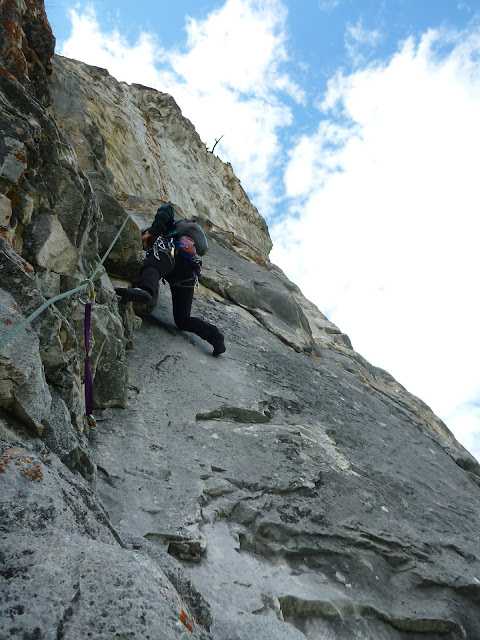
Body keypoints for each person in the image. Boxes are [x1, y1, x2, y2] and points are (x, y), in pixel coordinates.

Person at [115, 204, 226, 356]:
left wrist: (152, 234)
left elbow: (167, 208)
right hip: (187, 273)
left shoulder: (166, 231)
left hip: (171, 255)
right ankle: (215, 335)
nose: (144, 244)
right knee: (182, 319)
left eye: (143, 239)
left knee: (152, 265)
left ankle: (144, 290)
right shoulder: (183, 239)